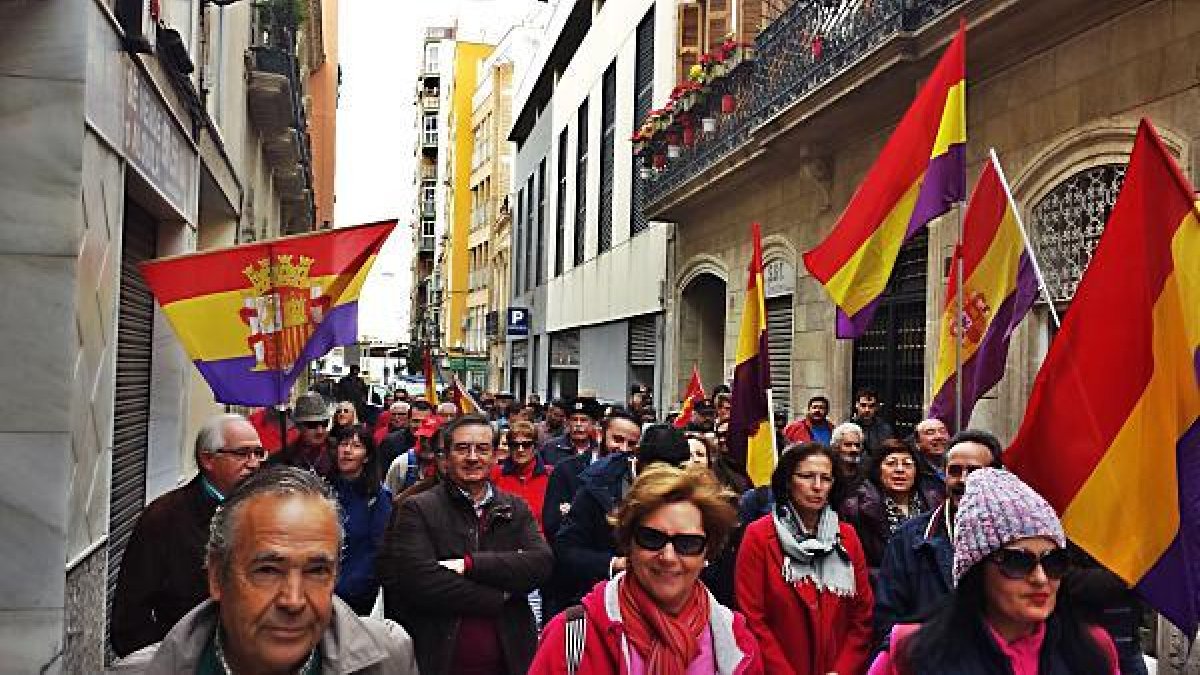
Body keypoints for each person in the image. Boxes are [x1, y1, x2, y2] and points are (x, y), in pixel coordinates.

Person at [111, 465, 418, 674]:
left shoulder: (388, 659)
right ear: (217, 576)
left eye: (316, 571)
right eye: (268, 570)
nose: (293, 600)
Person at [868, 468, 1119, 674]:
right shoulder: (912, 652)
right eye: (1018, 562)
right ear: (976, 569)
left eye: (1054, 562)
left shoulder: (1094, 651)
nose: (1041, 578)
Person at [530, 464, 763, 674]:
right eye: (652, 538)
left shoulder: (735, 642)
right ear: (628, 542)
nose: (668, 557)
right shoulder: (571, 636)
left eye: (688, 544)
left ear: (707, 553)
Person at [377, 414, 553, 674]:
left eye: (482, 449)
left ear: (495, 455)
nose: (473, 457)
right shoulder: (417, 508)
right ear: (446, 458)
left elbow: (541, 563)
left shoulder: (515, 508)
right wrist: (502, 595)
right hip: (438, 660)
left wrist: (470, 565)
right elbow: (419, 582)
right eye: (462, 449)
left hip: (510, 660)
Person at [110, 414, 266, 657]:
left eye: (258, 453)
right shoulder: (163, 518)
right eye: (243, 454)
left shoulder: (268, 513)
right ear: (208, 459)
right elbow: (128, 624)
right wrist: (176, 660)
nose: (254, 463)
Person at [735, 442, 874, 674]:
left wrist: (842, 670)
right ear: (788, 481)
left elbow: (862, 614)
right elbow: (752, 617)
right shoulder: (759, 536)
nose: (817, 486)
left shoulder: (847, 537)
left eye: (826, 479)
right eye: (807, 476)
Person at [873, 429, 1003, 645]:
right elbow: (888, 621)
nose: (963, 480)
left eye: (974, 471)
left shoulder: (1016, 540)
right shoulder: (909, 539)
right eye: (954, 471)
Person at [553, 424, 692, 616]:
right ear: (640, 460)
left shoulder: (690, 489)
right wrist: (613, 564)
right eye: (657, 475)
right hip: (605, 602)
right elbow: (566, 549)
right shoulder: (598, 487)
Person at [541, 410, 642, 619]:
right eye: (617, 439)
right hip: (569, 591)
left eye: (631, 444)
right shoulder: (567, 470)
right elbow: (554, 527)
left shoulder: (636, 481)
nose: (623, 449)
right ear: (600, 435)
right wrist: (610, 562)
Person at [839, 438, 943, 570]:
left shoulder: (934, 504)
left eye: (907, 464)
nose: (899, 470)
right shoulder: (856, 509)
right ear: (878, 470)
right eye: (891, 464)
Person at [328, 424, 392, 615]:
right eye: (344, 444)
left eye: (356, 446)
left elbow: (378, 549)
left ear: (367, 456)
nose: (347, 451)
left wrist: (347, 587)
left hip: (355, 596)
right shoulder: (323, 489)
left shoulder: (378, 498)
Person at [492, 420, 552, 534]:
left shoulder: (550, 475)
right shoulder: (495, 475)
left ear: (535, 446)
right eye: (515, 445)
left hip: (541, 546)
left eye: (526, 445)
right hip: (504, 545)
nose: (520, 450)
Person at [272, 391, 333, 474]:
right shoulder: (284, 457)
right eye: (312, 425)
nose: (320, 431)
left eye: (324, 423)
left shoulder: (338, 452)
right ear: (299, 426)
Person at [384, 414, 443, 497]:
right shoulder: (402, 463)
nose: (426, 444)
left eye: (432, 440)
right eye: (423, 438)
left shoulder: (451, 466)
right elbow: (388, 498)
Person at [540, 395, 601, 466]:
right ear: (567, 422)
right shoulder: (550, 448)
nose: (578, 424)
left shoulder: (599, 450)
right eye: (574, 420)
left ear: (593, 424)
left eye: (583, 420)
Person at [849, 387, 896, 455]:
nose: (867, 410)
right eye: (863, 405)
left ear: (876, 407)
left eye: (871, 406)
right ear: (857, 405)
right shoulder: (848, 428)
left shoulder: (885, 429)